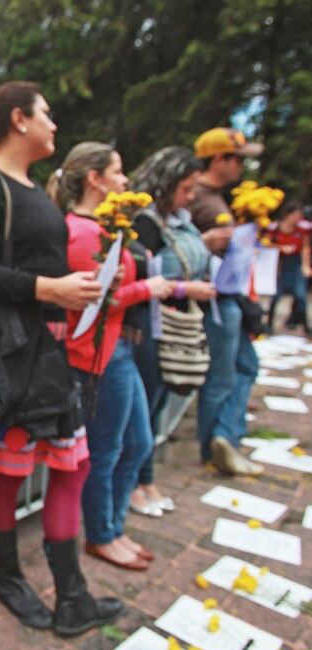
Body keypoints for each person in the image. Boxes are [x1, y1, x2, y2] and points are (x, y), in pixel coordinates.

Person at [0, 82, 122, 636]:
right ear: (19, 120)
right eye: (47, 114)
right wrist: (50, 290)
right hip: (13, 354)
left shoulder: (31, 188)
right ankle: (9, 577)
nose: (55, 124)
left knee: (72, 466)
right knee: (9, 475)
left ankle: (70, 593)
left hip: (44, 354)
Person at [46, 142, 171, 571]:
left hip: (118, 349)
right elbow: (93, 301)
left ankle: (113, 527)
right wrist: (145, 289)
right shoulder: (80, 232)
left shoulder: (104, 226)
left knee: (136, 442)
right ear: (95, 179)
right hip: (96, 355)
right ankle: (101, 534)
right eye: (117, 172)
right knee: (108, 448)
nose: (125, 180)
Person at [126, 147, 222, 516]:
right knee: (146, 410)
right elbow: (143, 277)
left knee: (159, 406)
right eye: (186, 188)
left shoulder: (180, 221)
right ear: (167, 185)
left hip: (176, 324)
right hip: (154, 326)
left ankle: (147, 478)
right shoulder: (147, 223)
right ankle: (137, 481)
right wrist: (185, 289)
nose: (192, 196)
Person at [187, 128, 265, 476]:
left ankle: (224, 437)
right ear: (219, 159)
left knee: (245, 365)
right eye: (238, 159)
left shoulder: (218, 197)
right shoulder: (198, 197)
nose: (242, 167)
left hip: (230, 297)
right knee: (222, 375)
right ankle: (216, 444)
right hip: (215, 301)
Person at [267, 201, 311, 334]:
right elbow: (266, 244)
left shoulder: (303, 229)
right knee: (276, 295)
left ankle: (306, 326)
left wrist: (305, 265)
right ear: (287, 215)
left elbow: (306, 247)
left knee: (300, 295)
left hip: (296, 262)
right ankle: (269, 325)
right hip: (279, 263)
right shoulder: (274, 228)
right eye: (296, 215)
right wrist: (281, 248)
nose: (298, 218)